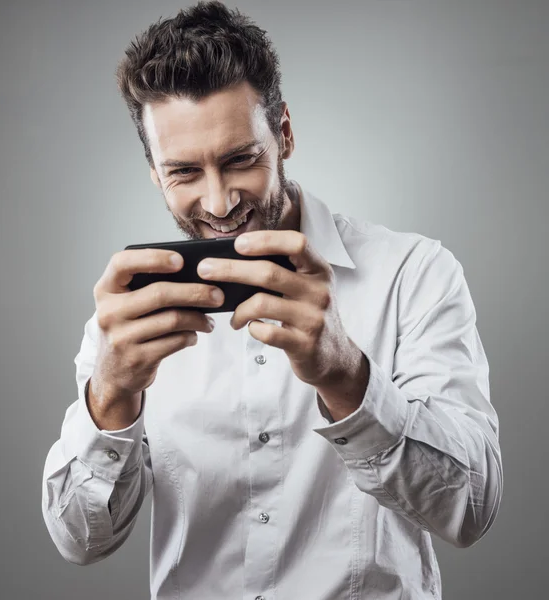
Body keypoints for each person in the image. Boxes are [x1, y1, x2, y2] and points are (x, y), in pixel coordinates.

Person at [41, 2, 503, 598]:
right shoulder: (126, 318)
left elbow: (471, 510)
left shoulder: (414, 273)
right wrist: (110, 396)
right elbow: (80, 541)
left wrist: (347, 377)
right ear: (155, 173)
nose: (218, 202)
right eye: (183, 172)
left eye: (240, 159)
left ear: (283, 133)